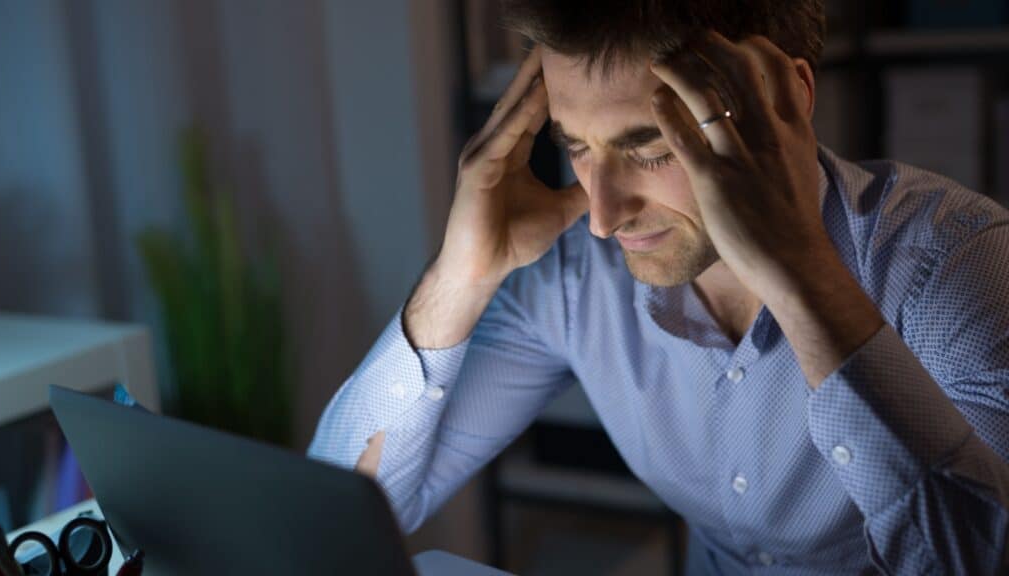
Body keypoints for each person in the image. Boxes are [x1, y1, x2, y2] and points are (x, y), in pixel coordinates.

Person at [307, 1, 1009, 573]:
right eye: (576, 147)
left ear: (785, 100)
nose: (605, 215)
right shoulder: (576, 272)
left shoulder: (956, 264)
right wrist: (460, 276)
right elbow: (344, 510)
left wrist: (803, 277)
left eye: (649, 149)